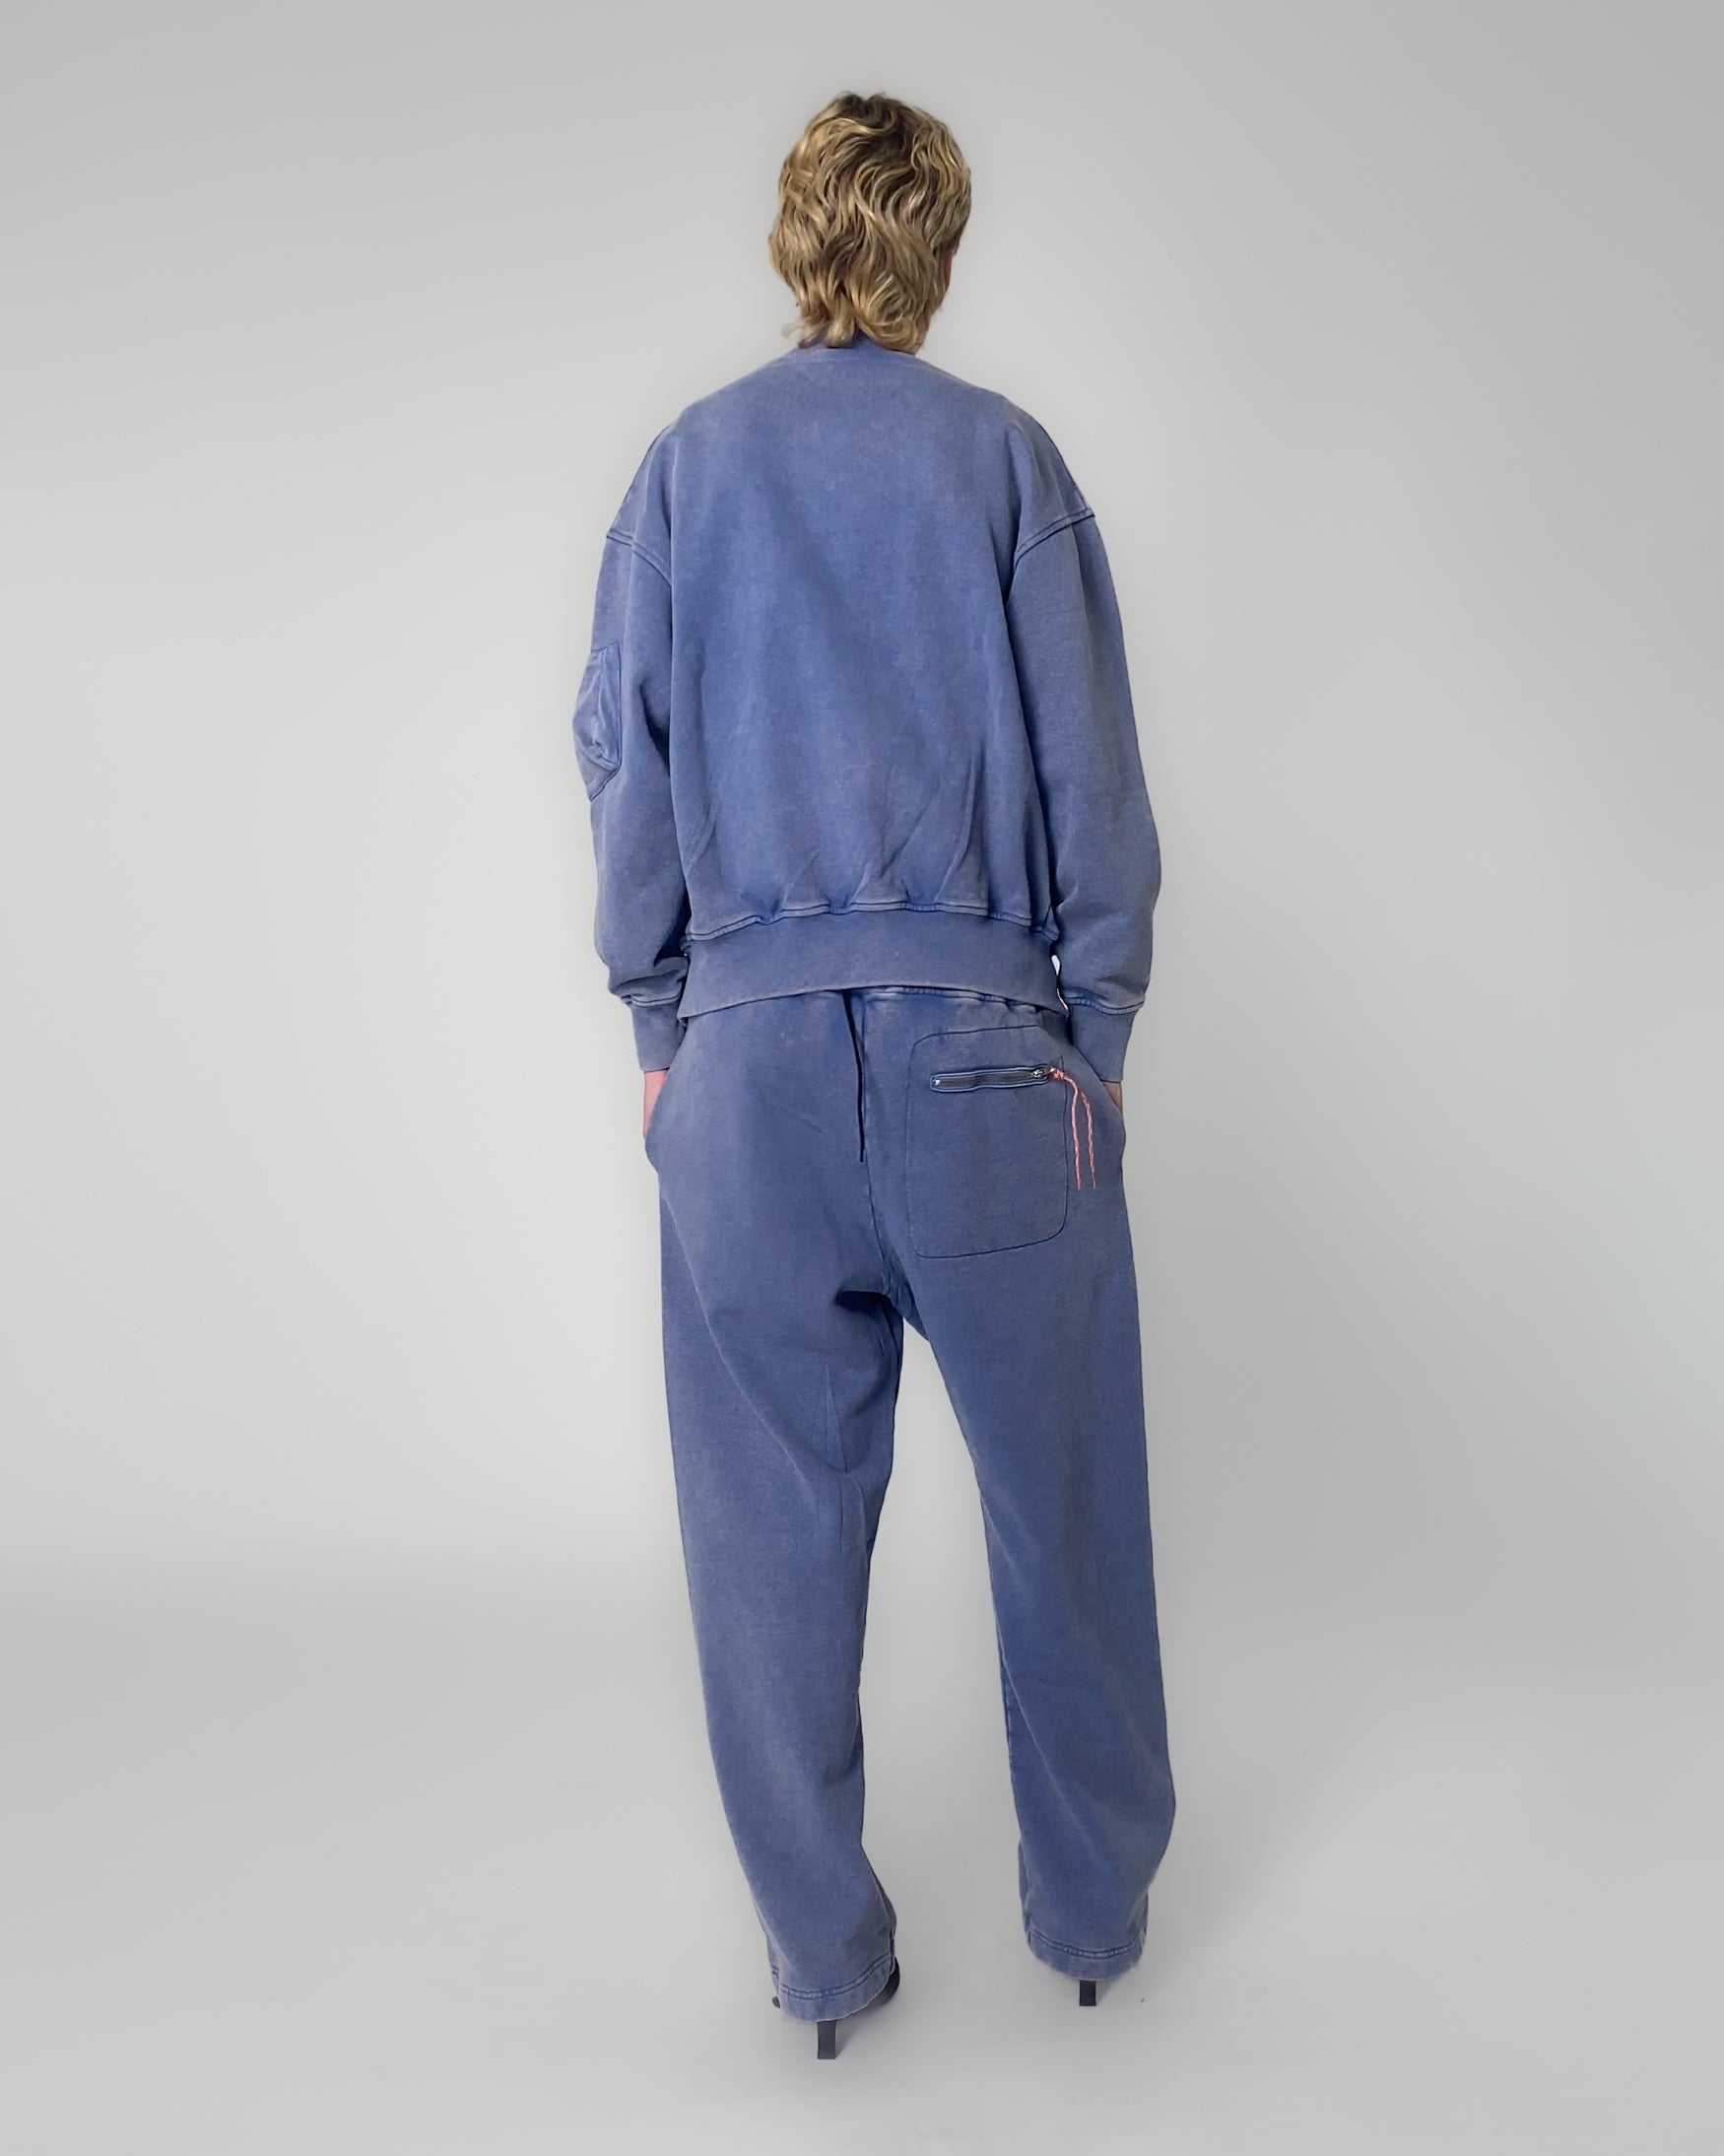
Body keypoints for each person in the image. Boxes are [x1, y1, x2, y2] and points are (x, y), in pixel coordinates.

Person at [570, 90, 1175, 2058]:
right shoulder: (1005, 462)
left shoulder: (684, 471)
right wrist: (1091, 1032)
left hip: (746, 1072)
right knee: (1063, 1510)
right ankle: (1089, 1917)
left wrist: (662, 1026)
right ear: (940, 248)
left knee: (765, 1547)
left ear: (793, 239)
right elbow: (1091, 776)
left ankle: (823, 1965)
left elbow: (621, 760)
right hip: (987, 1066)